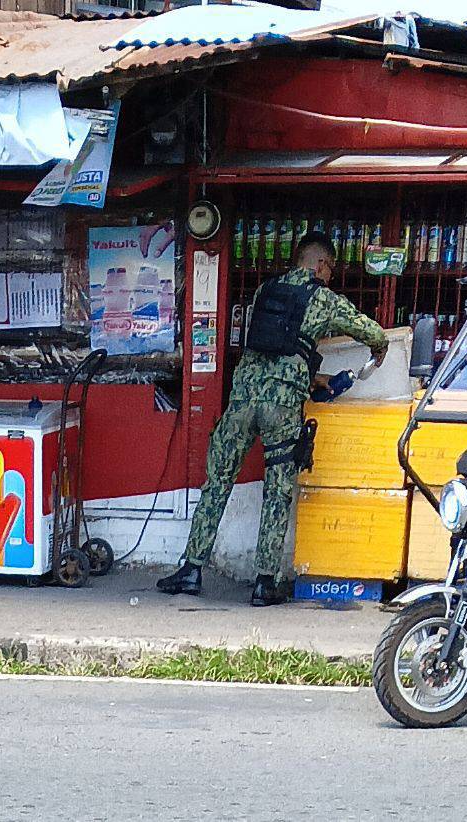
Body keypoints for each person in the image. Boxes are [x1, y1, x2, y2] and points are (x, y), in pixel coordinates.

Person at [158, 232, 389, 606]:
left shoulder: (265, 290)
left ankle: (191, 569)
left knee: (217, 483)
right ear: (320, 264)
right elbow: (372, 332)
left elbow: (276, 348)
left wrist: (311, 376)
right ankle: (265, 583)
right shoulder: (323, 298)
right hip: (281, 408)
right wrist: (380, 349)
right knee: (277, 489)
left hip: (242, 399)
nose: (330, 276)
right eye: (331, 268)